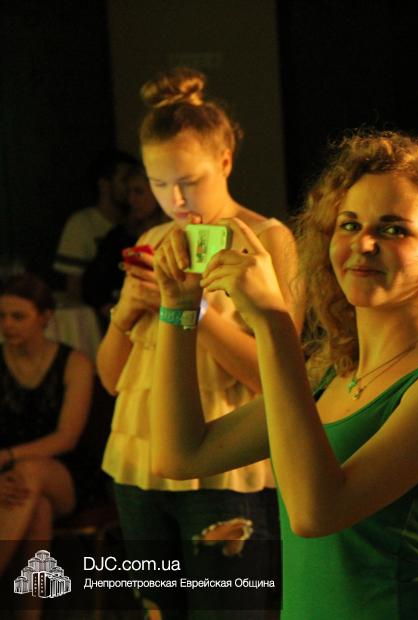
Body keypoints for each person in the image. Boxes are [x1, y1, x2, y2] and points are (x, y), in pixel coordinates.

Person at [146, 130, 418, 619]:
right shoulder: (332, 374)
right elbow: (180, 454)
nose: (364, 243)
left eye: (393, 229)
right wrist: (178, 306)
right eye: (349, 224)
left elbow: (316, 512)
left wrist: (273, 324)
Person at [95, 67, 302, 618]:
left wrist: (192, 310)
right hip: (137, 463)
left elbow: (277, 378)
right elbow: (112, 380)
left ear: (226, 161)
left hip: (225, 470)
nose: (176, 198)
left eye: (189, 180)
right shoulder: (153, 238)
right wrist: (126, 312)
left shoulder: (268, 240)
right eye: (158, 183)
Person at [0, 273, 94, 579]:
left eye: (18, 317)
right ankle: (29, 606)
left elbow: (67, 438)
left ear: (45, 317)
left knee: (30, 472)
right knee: (37, 509)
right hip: (7, 474)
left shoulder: (74, 362)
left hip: (63, 471)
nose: (7, 325)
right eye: (1, 316)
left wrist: (8, 456)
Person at [82, 164, 169, 326]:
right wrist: (116, 312)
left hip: (167, 319)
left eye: (139, 192)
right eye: (129, 193)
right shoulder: (119, 236)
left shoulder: (175, 235)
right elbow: (92, 285)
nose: (132, 200)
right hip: (128, 322)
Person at [54, 150, 137, 301]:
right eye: (125, 180)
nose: (130, 186)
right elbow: (73, 285)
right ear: (104, 185)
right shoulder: (82, 224)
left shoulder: (137, 223)